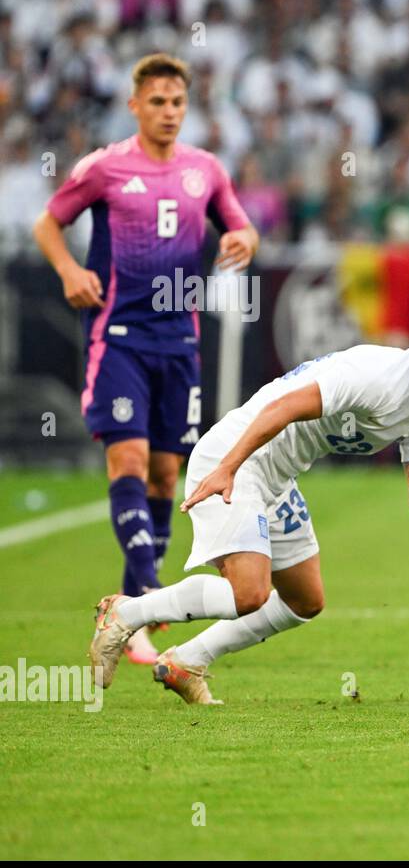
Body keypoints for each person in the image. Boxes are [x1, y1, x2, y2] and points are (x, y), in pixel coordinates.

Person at [87, 312, 409, 704]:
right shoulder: (375, 374)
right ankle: (126, 612)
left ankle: (186, 661)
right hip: (236, 459)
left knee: (304, 600)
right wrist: (227, 468)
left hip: (277, 478)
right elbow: (283, 407)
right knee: (249, 593)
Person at [32, 53, 259, 665]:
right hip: (120, 335)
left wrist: (242, 238)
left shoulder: (205, 170)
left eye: (177, 102)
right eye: (156, 101)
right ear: (135, 105)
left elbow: (241, 226)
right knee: (127, 457)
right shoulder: (105, 167)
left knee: (165, 475)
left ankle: (131, 598)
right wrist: (69, 269)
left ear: (187, 107)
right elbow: (48, 224)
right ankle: (146, 600)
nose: (168, 112)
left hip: (179, 341)